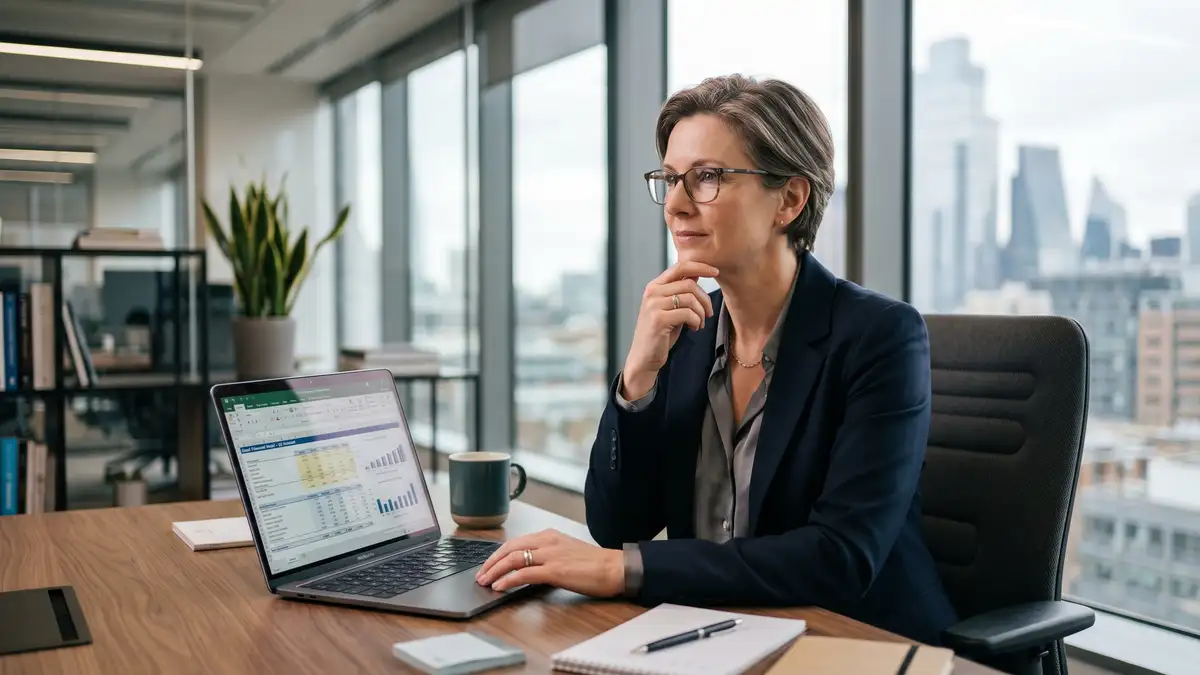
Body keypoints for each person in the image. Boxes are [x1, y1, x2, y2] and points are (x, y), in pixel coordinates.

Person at [476, 74, 957, 645]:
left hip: (851, 641)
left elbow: (840, 557)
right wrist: (637, 379)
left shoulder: (881, 337)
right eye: (670, 179)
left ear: (790, 199)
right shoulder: (686, 331)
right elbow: (615, 526)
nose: (676, 204)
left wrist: (626, 570)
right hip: (712, 633)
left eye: (707, 178)